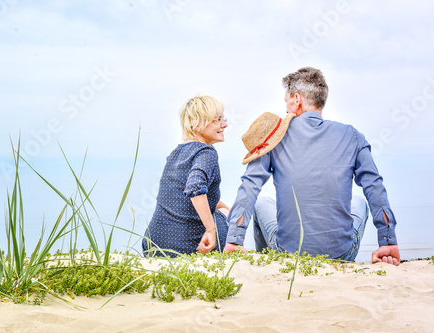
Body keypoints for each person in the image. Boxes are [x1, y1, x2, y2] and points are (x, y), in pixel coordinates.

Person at [224, 67, 401, 266]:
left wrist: (233, 239)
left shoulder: (275, 139)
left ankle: (269, 266)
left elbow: (250, 185)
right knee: (360, 202)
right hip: (342, 254)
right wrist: (388, 241)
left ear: (297, 99)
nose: (286, 109)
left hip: (288, 254)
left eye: (287, 102)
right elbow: (374, 185)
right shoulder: (352, 136)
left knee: (261, 203)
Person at [142, 94, 230, 257]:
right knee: (226, 215)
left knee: (224, 209)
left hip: (153, 245)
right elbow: (195, 187)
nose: (224, 124)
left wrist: (221, 204)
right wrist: (211, 230)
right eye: (217, 119)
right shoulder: (206, 153)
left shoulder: (176, 153)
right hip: (186, 247)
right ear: (196, 123)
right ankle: (232, 249)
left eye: (223, 119)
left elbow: (183, 193)